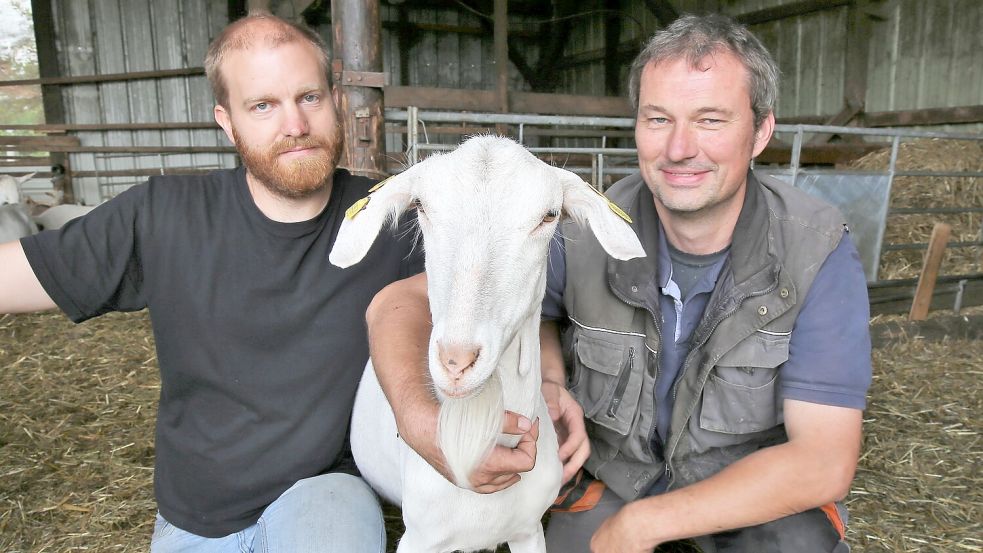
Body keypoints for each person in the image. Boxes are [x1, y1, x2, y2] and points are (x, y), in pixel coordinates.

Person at [367, 13, 871, 553]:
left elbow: (824, 462)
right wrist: (549, 381)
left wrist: (643, 527)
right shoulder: (581, 226)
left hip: (745, 499)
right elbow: (399, 302)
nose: (679, 148)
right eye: (658, 119)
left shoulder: (816, 251)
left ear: (761, 132)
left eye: (710, 120)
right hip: (612, 482)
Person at [0, 13, 424, 552]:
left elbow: (517, 280)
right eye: (263, 105)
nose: (294, 125)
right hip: (197, 520)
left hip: (321, 498)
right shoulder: (163, 216)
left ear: (335, 100)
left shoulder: (391, 216)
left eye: (309, 97)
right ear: (226, 120)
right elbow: (13, 274)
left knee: (336, 512)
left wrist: (551, 378)